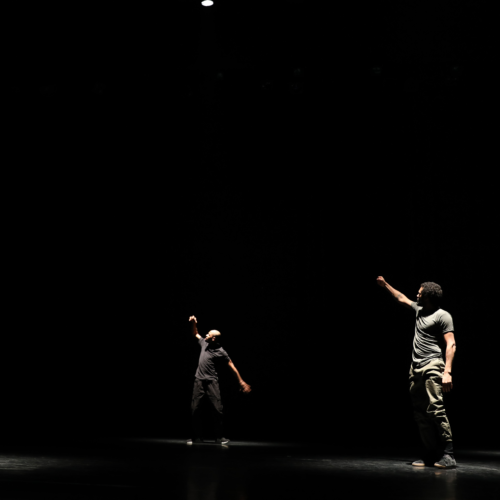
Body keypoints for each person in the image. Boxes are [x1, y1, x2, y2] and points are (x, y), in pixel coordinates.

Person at [376, 277, 457, 469]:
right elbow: (401, 298)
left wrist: (447, 372)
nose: (416, 295)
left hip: (433, 364)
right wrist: (385, 285)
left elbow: (451, 344)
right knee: (420, 412)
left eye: (420, 293)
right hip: (416, 368)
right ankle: (430, 453)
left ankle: (449, 454)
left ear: (428, 296)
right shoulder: (419, 309)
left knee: (435, 408)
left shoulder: (443, 316)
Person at [187, 315, 251, 445]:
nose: (206, 335)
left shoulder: (221, 351)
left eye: (209, 334)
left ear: (214, 338)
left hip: (212, 382)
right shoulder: (204, 343)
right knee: (195, 408)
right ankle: (196, 437)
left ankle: (219, 437)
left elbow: (231, 365)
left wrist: (241, 381)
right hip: (199, 381)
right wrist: (194, 323)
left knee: (217, 409)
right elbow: (195, 333)